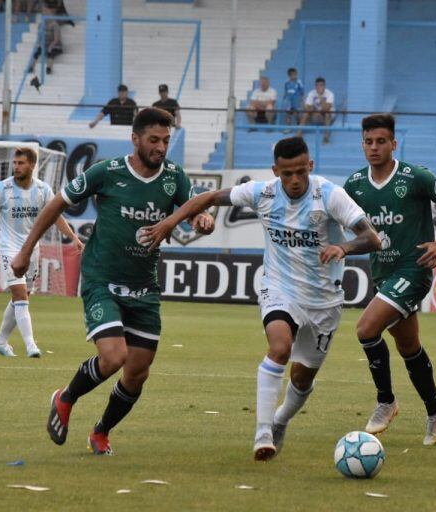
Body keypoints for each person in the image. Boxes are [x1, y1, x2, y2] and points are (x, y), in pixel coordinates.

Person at [141, 137, 382, 461]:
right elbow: (211, 196)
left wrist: (344, 247)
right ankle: (263, 431)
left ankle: (280, 420)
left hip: (324, 301)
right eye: (287, 174)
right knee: (279, 347)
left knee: (302, 375)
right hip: (279, 287)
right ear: (275, 171)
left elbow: (372, 238)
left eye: (300, 172)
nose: (294, 180)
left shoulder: (329, 195)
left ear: (310, 166)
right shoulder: (263, 193)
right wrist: (170, 222)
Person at [10, 108, 214, 455]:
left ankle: (101, 432)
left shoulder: (174, 178)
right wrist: (26, 251)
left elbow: (194, 209)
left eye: (166, 140)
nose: (161, 147)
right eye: (153, 140)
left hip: (144, 286)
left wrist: (203, 219)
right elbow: (56, 204)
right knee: (114, 355)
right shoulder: (107, 172)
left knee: (137, 372)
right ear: (134, 139)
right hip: (102, 278)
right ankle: (66, 397)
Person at [343, 113, 436, 446]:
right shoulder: (354, 185)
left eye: (381, 141)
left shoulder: (414, 176)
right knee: (409, 347)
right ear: (362, 144)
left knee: (366, 329)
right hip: (382, 273)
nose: (374, 147)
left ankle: (386, 401)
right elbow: (351, 227)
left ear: (394, 144)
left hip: (414, 268)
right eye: (368, 141)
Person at [0, 147, 83, 358]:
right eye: (15, 163)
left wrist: (74, 237)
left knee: (21, 298)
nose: (16, 167)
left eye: (21, 163)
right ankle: (31, 345)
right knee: (20, 295)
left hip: (31, 250)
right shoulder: (1, 188)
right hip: (8, 249)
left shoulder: (42, 190)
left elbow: (55, 216)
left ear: (32, 165)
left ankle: (0, 342)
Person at [299, 77, 335, 143]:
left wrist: (320, 98)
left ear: (324, 86)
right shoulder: (311, 93)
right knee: (305, 114)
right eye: (317, 85)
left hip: (326, 115)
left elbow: (326, 108)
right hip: (315, 114)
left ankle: (326, 137)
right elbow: (307, 108)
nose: (319, 87)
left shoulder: (330, 94)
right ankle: (298, 135)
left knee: (327, 114)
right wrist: (314, 110)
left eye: (321, 85)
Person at [28, 5, 62, 75]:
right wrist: (40, 44)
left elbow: (57, 39)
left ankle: (49, 68)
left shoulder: (55, 25)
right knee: (38, 51)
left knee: (51, 51)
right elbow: (39, 37)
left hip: (55, 45)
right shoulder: (41, 25)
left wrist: (51, 46)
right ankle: (32, 66)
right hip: (45, 44)